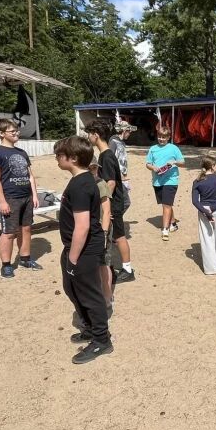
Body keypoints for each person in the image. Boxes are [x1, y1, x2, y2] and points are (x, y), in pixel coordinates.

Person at [54, 136, 112, 364]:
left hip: (83, 249)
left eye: (60, 155)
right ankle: (89, 328)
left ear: (73, 158)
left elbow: (83, 226)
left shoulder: (81, 184)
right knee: (71, 288)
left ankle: (101, 341)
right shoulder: (81, 180)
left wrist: (73, 259)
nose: (57, 158)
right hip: (75, 247)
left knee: (89, 294)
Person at [0, 118, 41, 278]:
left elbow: (30, 175)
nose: (17, 133)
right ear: (1, 133)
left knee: (26, 228)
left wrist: (34, 195)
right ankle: (6, 265)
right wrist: (2, 201)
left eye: (17, 130)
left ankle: (25, 258)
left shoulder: (22, 152)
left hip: (26, 197)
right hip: (10, 198)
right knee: (9, 232)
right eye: (13, 131)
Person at [85, 120, 134, 282]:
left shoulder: (106, 156)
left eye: (89, 134)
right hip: (114, 202)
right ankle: (112, 266)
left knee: (119, 236)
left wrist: (106, 206)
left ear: (95, 135)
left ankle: (128, 270)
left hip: (114, 204)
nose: (88, 137)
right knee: (115, 236)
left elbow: (111, 183)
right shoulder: (106, 154)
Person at [145, 126, 185, 241]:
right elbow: (148, 164)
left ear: (168, 137)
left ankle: (165, 229)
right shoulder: (153, 149)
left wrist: (174, 162)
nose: (161, 139)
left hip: (171, 180)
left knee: (166, 205)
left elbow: (183, 162)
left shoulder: (174, 148)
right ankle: (173, 223)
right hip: (157, 181)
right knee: (166, 203)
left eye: (164, 137)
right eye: (159, 136)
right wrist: (153, 168)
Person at [110, 121, 136, 282]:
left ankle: (114, 224)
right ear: (123, 131)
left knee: (126, 203)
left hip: (121, 180)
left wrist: (126, 177)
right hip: (117, 181)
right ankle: (113, 225)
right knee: (122, 204)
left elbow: (122, 162)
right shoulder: (113, 142)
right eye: (128, 131)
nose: (130, 133)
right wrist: (121, 178)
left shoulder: (120, 142)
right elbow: (112, 163)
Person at [87, 161, 114, 308]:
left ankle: (108, 297)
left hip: (101, 230)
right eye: (90, 168)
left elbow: (107, 211)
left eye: (94, 167)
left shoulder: (101, 184)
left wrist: (103, 234)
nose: (93, 170)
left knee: (104, 263)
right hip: (90, 228)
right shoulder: (84, 183)